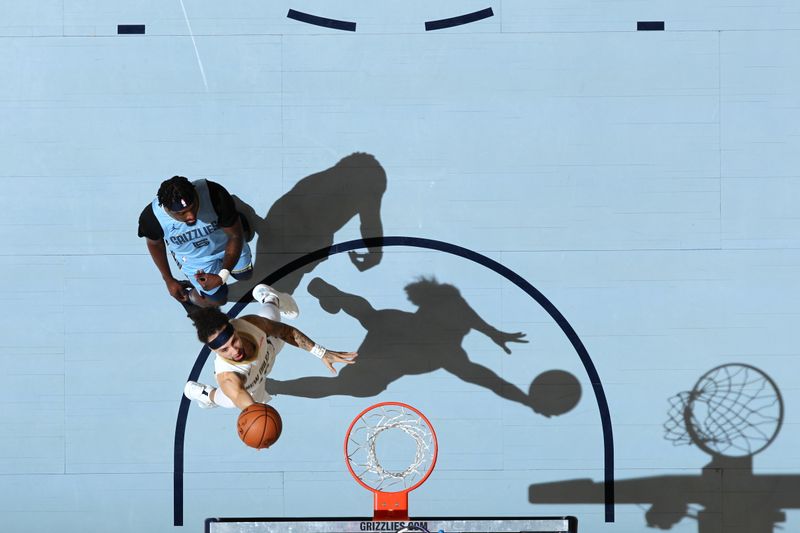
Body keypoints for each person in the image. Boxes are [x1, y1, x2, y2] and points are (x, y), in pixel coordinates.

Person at [183, 284, 358, 410]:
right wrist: (256, 419)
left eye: (233, 341)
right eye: (224, 350)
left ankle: (270, 297)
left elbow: (286, 332)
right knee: (228, 401)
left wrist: (322, 353)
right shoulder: (229, 377)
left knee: (273, 321)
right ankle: (206, 394)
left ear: (235, 329)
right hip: (251, 385)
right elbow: (245, 403)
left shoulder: (249, 324)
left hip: (269, 348)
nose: (234, 351)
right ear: (214, 351)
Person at [137, 175, 254, 313]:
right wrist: (168, 279)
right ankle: (190, 297)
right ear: (167, 209)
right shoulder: (151, 218)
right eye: (182, 213)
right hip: (195, 259)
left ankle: (231, 218)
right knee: (218, 300)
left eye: (193, 207)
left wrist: (222, 275)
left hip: (225, 243)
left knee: (245, 275)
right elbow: (155, 244)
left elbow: (234, 236)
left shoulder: (214, 193)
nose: (191, 216)